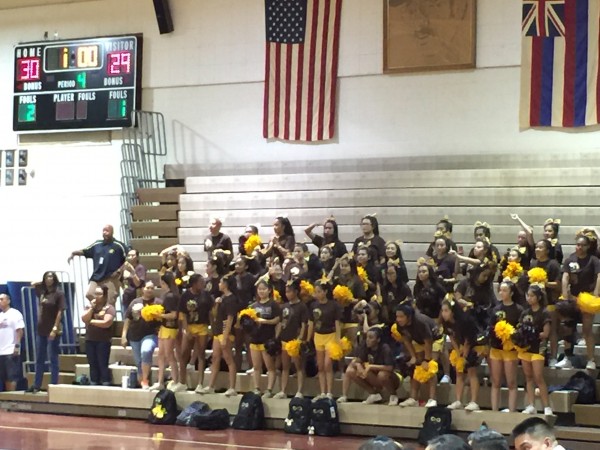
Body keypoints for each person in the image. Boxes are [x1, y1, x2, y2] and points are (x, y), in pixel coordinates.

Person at [560, 229, 600, 370]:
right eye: (577, 245)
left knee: (587, 330)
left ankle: (591, 359)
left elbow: (599, 276)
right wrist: (565, 296)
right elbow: (565, 277)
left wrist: (595, 294)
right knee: (567, 328)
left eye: (582, 245)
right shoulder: (570, 259)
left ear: (588, 246)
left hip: (587, 297)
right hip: (573, 298)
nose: (579, 247)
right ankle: (567, 357)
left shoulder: (594, 260)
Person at [198, 273, 238, 396]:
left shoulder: (231, 299)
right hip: (217, 332)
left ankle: (232, 387)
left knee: (228, 359)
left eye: (221, 282)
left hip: (225, 333)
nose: (219, 284)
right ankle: (211, 386)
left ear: (226, 285)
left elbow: (230, 319)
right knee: (215, 358)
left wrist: (225, 336)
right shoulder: (222, 298)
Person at [337, 327, 399, 405]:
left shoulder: (385, 348)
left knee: (382, 374)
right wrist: (358, 364)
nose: (367, 340)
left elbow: (390, 367)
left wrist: (371, 366)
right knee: (351, 370)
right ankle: (373, 394)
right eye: (367, 337)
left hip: (391, 378)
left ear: (378, 340)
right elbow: (356, 360)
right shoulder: (365, 346)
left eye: (371, 338)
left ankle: (393, 395)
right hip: (374, 377)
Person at [395, 304, 441, 408]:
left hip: (434, 339)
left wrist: (426, 359)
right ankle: (413, 398)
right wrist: (413, 356)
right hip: (418, 340)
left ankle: (432, 399)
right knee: (416, 366)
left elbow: (428, 342)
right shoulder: (399, 325)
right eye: (397, 316)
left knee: (430, 366)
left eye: (401, 317)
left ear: (409, 316)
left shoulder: (420, 322)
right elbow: (406, 340)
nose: (398, 319)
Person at [68, 224, 127, 304]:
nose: (105, 233)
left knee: (110, 300)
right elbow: (86, 251)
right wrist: (73, 253)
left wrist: (119, 271)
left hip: (111, 278)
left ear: (112, 232)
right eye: (103, 231)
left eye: (107, 231)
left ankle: (107, 312)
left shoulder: (119, 245)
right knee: (89, 294)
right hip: (96, 277)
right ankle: (100, 309)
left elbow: (128, 259)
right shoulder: (97, 244)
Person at [441, 298, 482, 411]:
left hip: (473, 344)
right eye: (442, 311)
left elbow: (469, 339)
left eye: (446, 311)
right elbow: (451, 336)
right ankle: (458, 400)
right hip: (460, 346)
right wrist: (458, 352)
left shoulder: (465, 320)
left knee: (471, 372)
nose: (443, 314)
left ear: (453, 311)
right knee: (459, 373)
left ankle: (474, 401)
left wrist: (465, 355)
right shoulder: (446, 322)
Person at [27, 271, 66, 393]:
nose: (49, 279)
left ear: (55, 279)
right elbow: (33, 284)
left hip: (53, 330)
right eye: (47, 277)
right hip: (41, 330)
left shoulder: (59, 293)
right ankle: (36, 385)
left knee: (53, 357)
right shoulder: (43, 292)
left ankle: (53, 384)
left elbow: (61, 311)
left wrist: (55, 328)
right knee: (39, 358)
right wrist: (42, 281)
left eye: (51, 276)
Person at [518, 284, 553, 416]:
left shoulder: (544, 312)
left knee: (538, 377)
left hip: (538, 347)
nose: (529, 298)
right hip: (526, 348)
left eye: (532, 295)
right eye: (528, 295)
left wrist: (533, 334)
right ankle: (531, 405)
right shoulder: (525, 313)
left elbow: (546, 333)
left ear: (538, 297)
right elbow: (520, 329)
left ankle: (547, 406)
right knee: (528, 377)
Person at [488, 281, 522, 412]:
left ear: (511, 293)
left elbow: (520, 330)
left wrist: (511, 335)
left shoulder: (519, 310)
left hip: (511, 350)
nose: (501, 293)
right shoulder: (495, 309)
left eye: (504, 290)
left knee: (511, 383)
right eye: (500, 290)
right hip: (496, 349)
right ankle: (494, 411)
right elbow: (490, 328)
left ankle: (511, 411)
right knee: (495, 382)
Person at [308, 278, 343, 401]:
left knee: (328, 365)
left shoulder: (333, 305)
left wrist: (338, 340)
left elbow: (337, 323)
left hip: (331, 336)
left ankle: (329, 392)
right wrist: (309, 338)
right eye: (315, 292)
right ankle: (322, 392)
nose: (316, 294)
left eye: (318, 291)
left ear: (325, 291)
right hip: (318, 337)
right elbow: (311, 323)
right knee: (321, 366)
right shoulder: (313, 305)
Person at [121, 280, 160, 390]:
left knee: (146, 351)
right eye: (148, 287)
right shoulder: (135, 302)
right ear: (143, 289)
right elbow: (128, 319)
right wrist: (124, 336)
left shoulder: (158, 302)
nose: (150, 290)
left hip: (150, 334)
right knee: (139, 361)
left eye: (152, 288)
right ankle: (145, 379)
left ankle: (145, 381)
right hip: (134, 335)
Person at [274, 279, 309, 399]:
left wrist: (300, 338)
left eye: (290, 291)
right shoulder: (284, 306)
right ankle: (283, 390)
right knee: (285, 366)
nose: (287, 294)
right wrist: (277, 337)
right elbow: (280, 322)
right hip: (284, 339)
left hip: (295, 340)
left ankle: (300, 391)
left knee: (298, 366)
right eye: (286, 292)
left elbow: (304, 324)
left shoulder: (302, 307)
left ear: (296, 292)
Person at [179, 273, 213, 392]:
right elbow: (182, 314)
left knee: (201, 354)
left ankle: (200, 384)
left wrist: (211, 327)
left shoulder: (206, 295)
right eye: (200, 282)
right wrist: (186, 330)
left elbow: (210, 312)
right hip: (189, 326)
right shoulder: (185, 295)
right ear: (194, 284)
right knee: (184, 354)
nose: (203, 284)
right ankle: (182, 382)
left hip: (202, 326)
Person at [248, 277, 281, 399]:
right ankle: (257, 388)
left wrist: (264, 321)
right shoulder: (253, 305)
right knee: (256, 366)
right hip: (255, 338)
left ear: (269, 290)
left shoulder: (273, 304)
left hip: (267, 339)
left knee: (270, 367)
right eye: (259, 289)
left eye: (264, 289)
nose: (261, 291)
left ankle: (269, 389)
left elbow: (277, 320)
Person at [152, 272, 184, 392]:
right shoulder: (167, 295)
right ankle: (160, 381)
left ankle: (176, 381)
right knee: (161, 354)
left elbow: (173, 314)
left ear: (164, 282)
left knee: (169, 355)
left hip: (170, 328)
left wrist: (159, 315)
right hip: (164, 327)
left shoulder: (171, 296)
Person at [81, 285, 115, 386]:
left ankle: (105, 382)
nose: (96, 296)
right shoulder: (90, 307)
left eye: (99, 294)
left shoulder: (109, 308)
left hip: (103, 340)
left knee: (102, 363)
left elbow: (106, 323)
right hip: (90, 339)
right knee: (92, 363)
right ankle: (94, 382)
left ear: (104, 296)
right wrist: (92, 308)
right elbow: (84, 318)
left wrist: (90, 321)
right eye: (95, 294)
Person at [0, 293, 24, 392]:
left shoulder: (15, 313)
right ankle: (7, 399)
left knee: (11, 376)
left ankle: (12, 398)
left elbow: (20, 330)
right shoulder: (0, 315)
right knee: (4, 377)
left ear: (8, 301)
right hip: (1, 351)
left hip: (10, 350)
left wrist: (17, 346)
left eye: (2, 299)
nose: (0, 301)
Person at [120, 248, 146, 316]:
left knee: (137, 318)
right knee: (127, 317)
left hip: (137, 296)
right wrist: (123, 287)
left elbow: (138, 283)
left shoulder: (140, 268)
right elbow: (119, 279)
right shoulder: (124, 267)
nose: (130, 257)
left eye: (133, 255)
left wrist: (132, 273)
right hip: (126, 297)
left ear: (137, 257)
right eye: (129, 255)